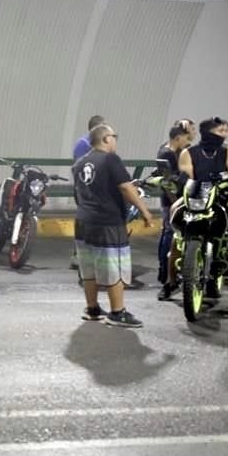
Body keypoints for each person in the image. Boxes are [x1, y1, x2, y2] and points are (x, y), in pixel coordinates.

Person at [72, 124, 153, 327]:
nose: (115, 140)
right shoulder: (110, 159)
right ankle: (118, 312)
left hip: (83, 221)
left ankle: (92, 309)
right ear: (106, 138)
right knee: (114, 267)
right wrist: (145, 211)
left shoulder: (80, 163)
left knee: (88, 268)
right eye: (114, 136)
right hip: (107, 222)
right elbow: (126, 187)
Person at [169, 117, 228, 295]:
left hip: (220, 195)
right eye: (220, 132)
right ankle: (170, 282)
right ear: (207, 133)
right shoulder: (188, 153)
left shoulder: (227, 151)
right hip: (197, 195)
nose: (224, 135)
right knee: (175, 219)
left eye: (226, 132)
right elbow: (187, 175)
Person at [154, 124, 192, 299]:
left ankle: (167, 273)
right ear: (178, 138)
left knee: (170, 234)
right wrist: (175, 202)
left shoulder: (175, 151)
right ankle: (165, 272)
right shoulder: (166, 154)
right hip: (171, 201)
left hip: (177, 199)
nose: (188, 141)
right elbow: (167, 182)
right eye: (186, 137)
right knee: (170, 234)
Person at [70, 114, 108, 269]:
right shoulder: (84, 144)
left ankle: (86, 255)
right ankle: (78, 255)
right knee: (86, 223)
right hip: (86, 191)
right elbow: (80, 169)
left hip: (93, 191)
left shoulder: (95, 144)